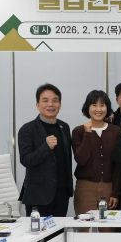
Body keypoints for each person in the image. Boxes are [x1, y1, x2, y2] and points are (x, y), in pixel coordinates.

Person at [18, 83, 73, 216]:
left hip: (62, 194)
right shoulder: (27, 129)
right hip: (38, 196)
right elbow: (26, 160)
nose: (51, 104)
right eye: (45, 100)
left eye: (55, 100)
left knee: (59, 229)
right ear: (37, 105)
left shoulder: (64, 127)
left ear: (60, 104)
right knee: (38, 230)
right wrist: (46, 147)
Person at [71, 90, 121, 215]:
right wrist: (88, 134)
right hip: (85, 188)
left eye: (102, 105)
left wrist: (116, 193)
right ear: (87, 108)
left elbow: (118, 165)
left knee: (109, 224)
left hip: (109, 187)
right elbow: (81, 159)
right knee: (85, 224)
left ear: (107, 108)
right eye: (94, 105)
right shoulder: (78, 131)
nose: (98, 109)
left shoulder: (116, 131)